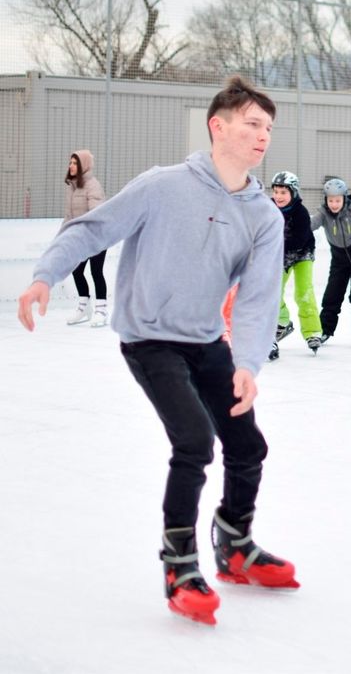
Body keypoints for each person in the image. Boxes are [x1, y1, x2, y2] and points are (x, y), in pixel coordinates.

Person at [17, 76, 299, 626]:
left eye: (268, 127)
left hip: (204, 341)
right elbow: (92, 229)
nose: (263, 135)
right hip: (149, 337)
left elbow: (260, 296)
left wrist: (247, 364)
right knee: (194, 440)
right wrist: (45, 276)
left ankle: (235, 544)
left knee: (247, 444)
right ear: (218, 126)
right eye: (252, 124)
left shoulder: (263, 215)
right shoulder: (163, 185)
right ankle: (179, 563)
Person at [311, 176, 351, 347]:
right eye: (330, 200)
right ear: (326, 200)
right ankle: (325, 329)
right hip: (339, 259)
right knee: (332, 295)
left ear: (344, 198)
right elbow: (310, 225)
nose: (334, 204)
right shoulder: (323, 213)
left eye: (337, 200)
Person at [269, 170, 322, 357]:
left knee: (303, 292)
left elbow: (299, 240)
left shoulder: (301, 212)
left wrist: (275, 249)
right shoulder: (268, 208)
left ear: (293, 192)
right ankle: (282, 321)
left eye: (283, 192)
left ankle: (312, 332)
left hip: (302, 254)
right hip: (278, 255)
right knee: (272, 291)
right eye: (276, 192)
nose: (278, 196)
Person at [63, 150, 108, 327]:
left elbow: (95, 214)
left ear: (84, 166)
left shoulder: (93, 185)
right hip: (80, 238)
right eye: (70, 162)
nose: (71, 166)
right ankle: (84, 308)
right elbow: (69, 216)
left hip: (98, 236)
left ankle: (101, 310)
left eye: (75, 163)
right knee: (76, 270)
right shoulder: (72, 187)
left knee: (96, 272)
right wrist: (63, 236)